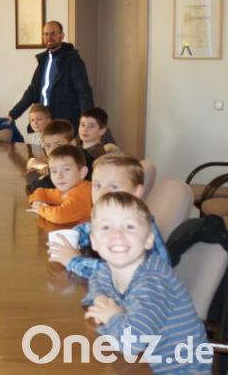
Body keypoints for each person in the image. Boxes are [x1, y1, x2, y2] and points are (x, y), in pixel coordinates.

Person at [83, 192, 211, 374]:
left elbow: (132, 344)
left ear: (149, 239)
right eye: (106, 227)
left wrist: (112, 316)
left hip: (179, 369)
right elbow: (96, 280)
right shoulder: (106, 270)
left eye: (129, 226)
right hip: (144, 362)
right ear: (94, 241)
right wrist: (101, 299)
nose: (117, 234)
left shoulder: (153, 282)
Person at [48, 153, 169, 278]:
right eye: (97, 185)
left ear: (136, 192)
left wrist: (73, 261)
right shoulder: (110, 217)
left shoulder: (135, 227)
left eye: (113, 187)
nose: (102, 193)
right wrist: (72, 238)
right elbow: (88, 228)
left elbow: (121, 273)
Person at [8, 20, 94, 130]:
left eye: (53, 33)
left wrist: (86, 120)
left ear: (62, 36)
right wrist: (13, 114)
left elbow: (84, 91)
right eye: (46, 34)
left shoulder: (72, 59)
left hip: (64, 122)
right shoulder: (43, 60)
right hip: (44, 122)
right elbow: (32, 91)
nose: (49, 37)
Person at [27, 144, 92, 224]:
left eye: (66, 169)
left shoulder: (82, 194)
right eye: (54, 171)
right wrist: (37, 200)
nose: (59, 176)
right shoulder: (66, 190)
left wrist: (40, 209)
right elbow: (41, 191)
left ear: (82, 172)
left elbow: (59, 215)